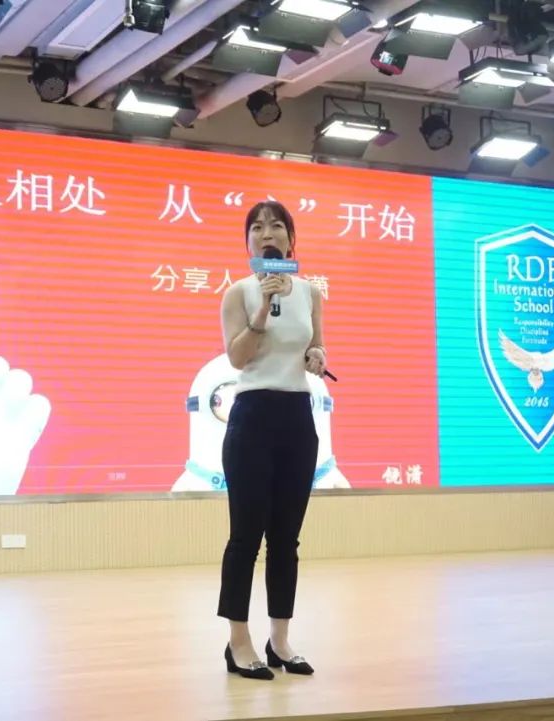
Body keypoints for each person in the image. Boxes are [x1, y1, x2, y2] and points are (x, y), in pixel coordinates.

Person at [217, 200, 327, 680]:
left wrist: (317, 356)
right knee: (246, 537)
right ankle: (238, 642)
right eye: (257, 227)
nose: (267, 232)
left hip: (297, 417)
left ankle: (279, 640)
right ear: (248, 243)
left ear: (290, 240)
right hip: (252, 418)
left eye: (276, 225)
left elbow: (315, 345)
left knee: (286, 538)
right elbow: (238, 358)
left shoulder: (310, 292)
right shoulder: (238, 293)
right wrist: (263, 307)